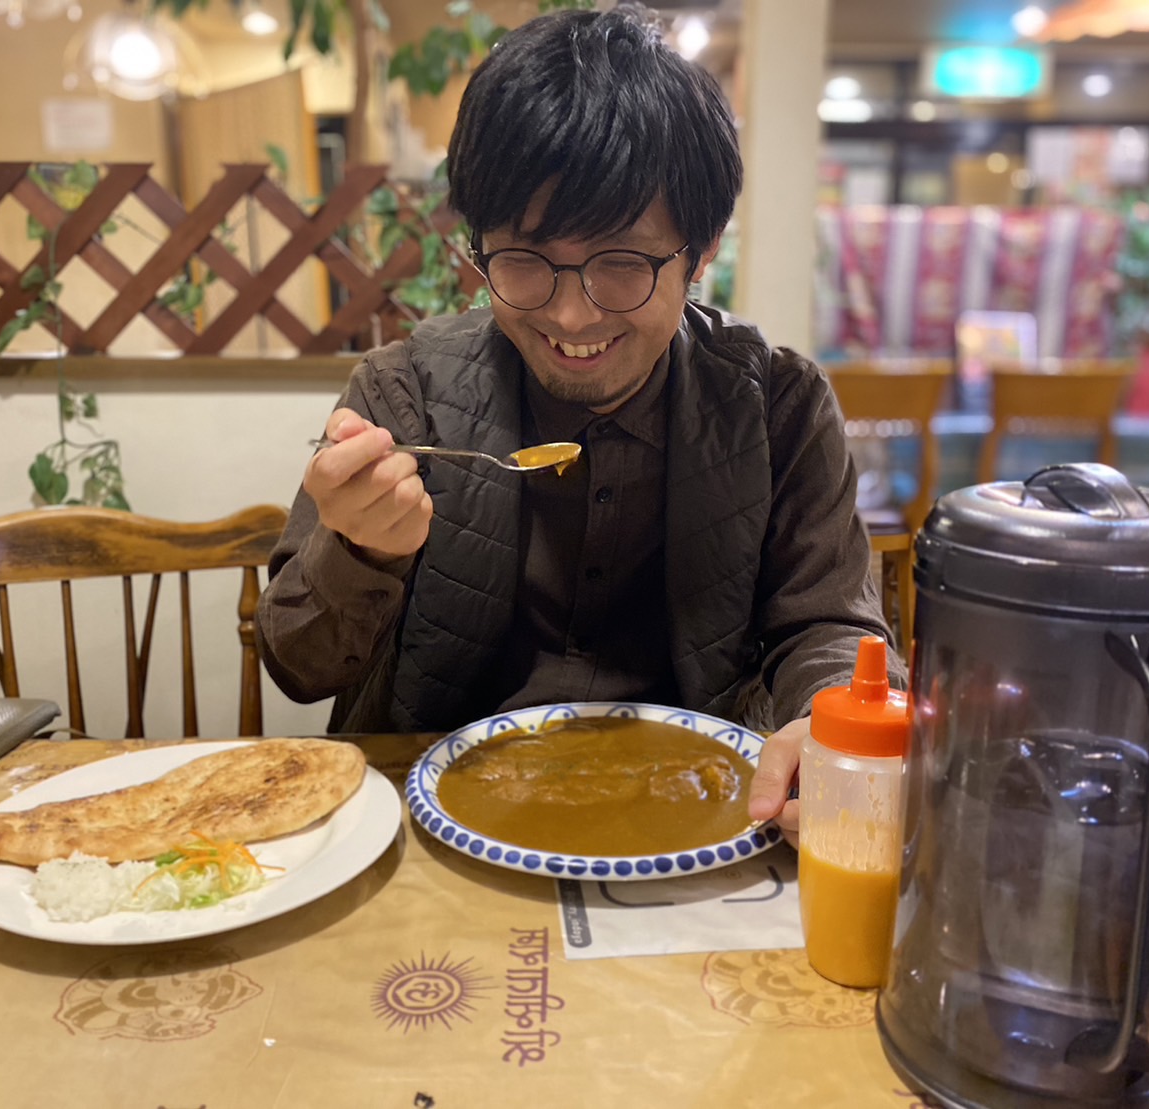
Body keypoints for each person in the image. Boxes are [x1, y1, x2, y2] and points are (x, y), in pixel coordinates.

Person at [256, 4, 904, 844]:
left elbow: (825, 626)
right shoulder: (403, 394)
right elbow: (298, 668)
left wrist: (828, 720)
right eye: (524, 260)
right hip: (436, 829)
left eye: (622, 263)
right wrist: (358, 551)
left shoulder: (778, 406)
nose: (570, 315)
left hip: (697, 821)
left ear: (702, 248)